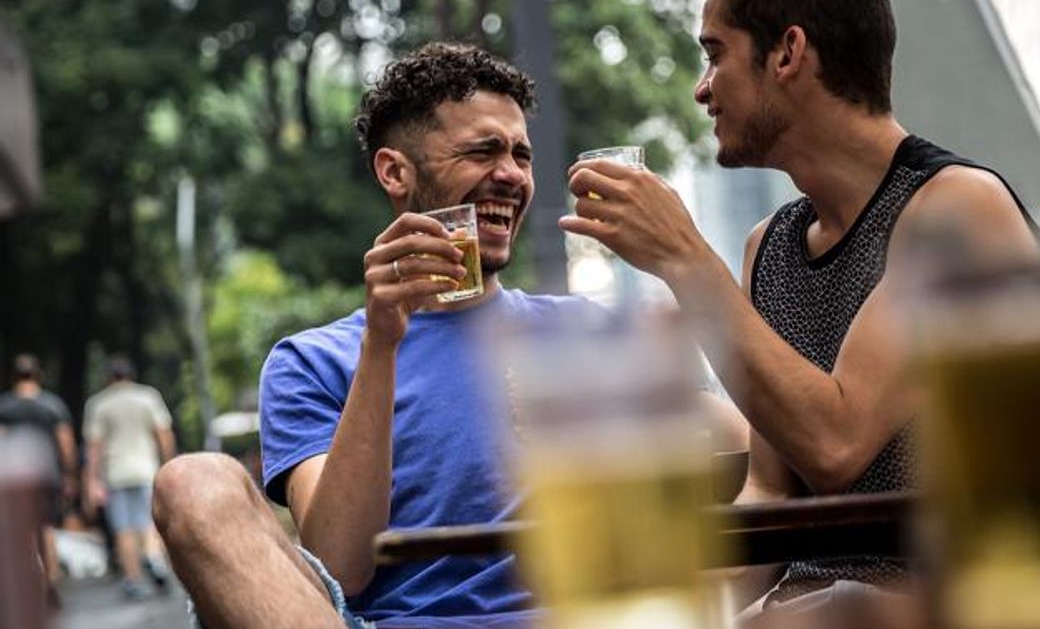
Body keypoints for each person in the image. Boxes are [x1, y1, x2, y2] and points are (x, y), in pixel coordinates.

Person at [561, 0, 1040, 618]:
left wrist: (682, 257)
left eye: (713, 54)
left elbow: (835, 444)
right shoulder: (770, 244)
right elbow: (769, 492)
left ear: (787, 53)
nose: (701, 90)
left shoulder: (957, 210)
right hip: (815, 605)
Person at [152, 42, 603, 629]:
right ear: (395, 172)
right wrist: (382, 345)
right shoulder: (313, 362)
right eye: (482, 152)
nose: (511, 176)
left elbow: (741, 468)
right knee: (191, 481)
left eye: (522, 155)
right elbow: (340, 563)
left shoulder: (584, 329)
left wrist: (677, 262)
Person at [83, 354, 176, 599]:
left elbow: (94, 446)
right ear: (130, 375)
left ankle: (133, 580)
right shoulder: (148, 396)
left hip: (115, 473)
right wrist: (169, 463)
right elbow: (163, 433)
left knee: (124, 529)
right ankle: (155, 559)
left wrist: (92, 479)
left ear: (107, 378)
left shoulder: (99, 404)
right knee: (149, 523)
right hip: (146, 469)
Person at [0, 353, 78, 606]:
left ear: (13, 376)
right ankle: (51, 582)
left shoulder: (5, 407)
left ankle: (27, 584)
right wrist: (69, 474)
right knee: (46, 529)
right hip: (48, 476)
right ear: (38, 375)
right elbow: (65, 442)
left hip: (13, 479)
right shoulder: (52, 405)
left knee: (19, 532)